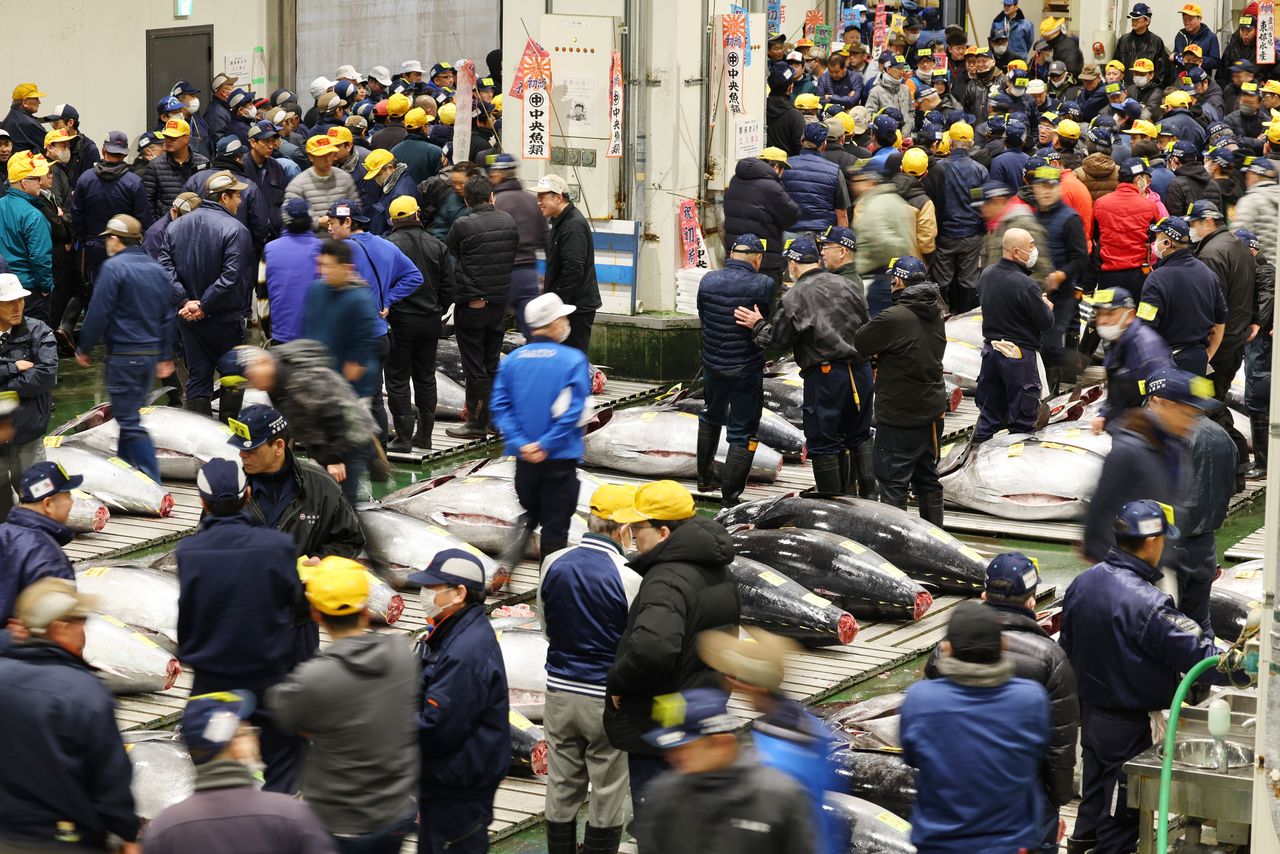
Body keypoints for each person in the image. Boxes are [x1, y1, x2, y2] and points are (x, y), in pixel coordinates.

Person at [1062, 498, 1247, 854]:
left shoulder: (1083, 583)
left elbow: (1066, 647)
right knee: (1120, 816)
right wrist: (1246, 668)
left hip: (1090, 716)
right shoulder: (1149, 604)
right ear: (1151, 541)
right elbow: (1200, 657)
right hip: (1128, 727)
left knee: (1093, 802)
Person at [923, 555, 1078, 853]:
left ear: (984, 596)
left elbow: (928, 729)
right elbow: (1059, 740)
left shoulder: (946, 649)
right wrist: (1057, 797)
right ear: (1031, 601)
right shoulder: (1051, 658)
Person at [604, 481, 740, 813]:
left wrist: (619, 683)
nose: (634, 537)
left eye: (638, 528)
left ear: (663, 532)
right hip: (701, 713)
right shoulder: (719, 569)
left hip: (659, 725)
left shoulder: (665, 580)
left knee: (658, 821)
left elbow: (653, 648)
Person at [268, 559, 419, 853]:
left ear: (315, 613)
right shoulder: (402, 655)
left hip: (338, 823)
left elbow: (284, 712)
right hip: (394, 812)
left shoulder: (314, 678)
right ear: (365, 610)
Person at [176, 458, 306, 794]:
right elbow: (295, 601)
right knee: (284, 754)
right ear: (248, 494)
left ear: (203, 501)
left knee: (211, 760)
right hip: (267, 676)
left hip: (211, 680)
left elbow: (189, 614)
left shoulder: (188, 551)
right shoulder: (277, 546)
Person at [537, 484, 643, 854]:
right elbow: (634, 644)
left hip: (559, 692)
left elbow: (546, 627)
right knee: (609, 788)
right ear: (623, 529)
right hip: (606, 699)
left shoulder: (553, 562)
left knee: (561, 784)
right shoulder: (630, 576)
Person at [0, 577, 140, 851]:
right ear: (60, 628)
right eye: (80, 621)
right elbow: (110, 778)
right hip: (62, 840)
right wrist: (127, 833)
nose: (84, 630)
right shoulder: (84, 693)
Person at [902, 600, 1050, 853]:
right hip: (1008, 842)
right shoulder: (1031, 698)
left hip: (939, 843)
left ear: (947, 649)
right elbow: (1038, 753)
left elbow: (912, 757)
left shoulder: (921, 698)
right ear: (1003, 646)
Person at [735, 236, 869, 493]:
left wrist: (758, 324)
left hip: (827, 376)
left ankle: (832, 502)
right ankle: (866, 495)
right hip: (859, 372)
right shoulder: (848, 284)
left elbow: (778, 339)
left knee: (823, 441)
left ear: (793, 264)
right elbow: (867, 325)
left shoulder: (795, 295)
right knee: (858, 435)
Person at [143, 691, 338, 854]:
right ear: (237, 746)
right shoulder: (291, 815)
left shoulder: (166, 828)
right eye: (248, 732)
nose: (255, 738)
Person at [409, 549, 510, 854]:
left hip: (456, 789)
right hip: (451, 781)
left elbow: (438, 728)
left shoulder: (464, 653)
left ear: (459, 593)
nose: (425, 594)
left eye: (433, 587)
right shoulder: (456, 632)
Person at [635, 687, 817, 854]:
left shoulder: (779, 796)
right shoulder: (662, 795)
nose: (671, 757)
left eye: (683, 748)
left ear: (722, 744)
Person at [489, 293, 591, 564]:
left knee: (531, 512)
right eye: (564, 318)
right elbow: (574, 410)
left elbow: (499, 406)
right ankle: (549, 583)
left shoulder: (513, 360)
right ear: (554, 323)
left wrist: (521, 442)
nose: (567, 323)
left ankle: (508, 567)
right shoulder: (573, 360)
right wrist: (546, 444)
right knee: (556, 527)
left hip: (524, 460)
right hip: (559, 459)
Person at [73, 215, 175, 482]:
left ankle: (152, 482)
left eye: (108, 237)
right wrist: (164, 355)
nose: (107, 242)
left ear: (116, 239)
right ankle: (126, 475)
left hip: (124, 356)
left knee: (128, 421)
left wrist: (84, 346)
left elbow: (98, 312)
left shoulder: (113, 268)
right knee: (127, 418)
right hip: (148, 358)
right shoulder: (156, 268)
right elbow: (167, 315)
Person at [1083, 367, 1212, 563]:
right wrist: (1107, 560)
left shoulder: (1175, 447)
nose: (1192, 423)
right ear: (1160, 403)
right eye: (1186, 414)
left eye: (1195, 416)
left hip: (1157, 561)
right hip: (1125, 565)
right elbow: (1100, 509)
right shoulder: (1128, 451)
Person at [854, 256, 946, 523]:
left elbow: (861, 342)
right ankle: (935, 538)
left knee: (893, 482)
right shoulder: (936, 311)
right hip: (931, 412)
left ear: (897, 280)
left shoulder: (894, 316)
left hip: (899, 415)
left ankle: (896, 542)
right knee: (928, 478)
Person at [326, 199, 424, 446]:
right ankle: (380, 452)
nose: (328, 227)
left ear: (348, 222)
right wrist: (387, 299)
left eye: (332, 222)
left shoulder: (343, 252)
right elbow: (415, 276)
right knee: (375, 397)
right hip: (379, 335)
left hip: (352, 339)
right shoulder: (386, 245)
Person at [160, 169, 253, 413]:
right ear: (224, 197)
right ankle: (228, 431)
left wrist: (186, 302)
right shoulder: (236, 230)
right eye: (237, 196)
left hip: (188, 319)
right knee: (232, 375)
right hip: (224, 319)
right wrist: (204, 305)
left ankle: (200, 432)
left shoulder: (175, 227)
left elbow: (164, 268)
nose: (240, 201)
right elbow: (232, 277)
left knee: (198, 377)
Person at [695, 234, 774, 504]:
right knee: (742, 432)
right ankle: (730, 497)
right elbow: (766, 326)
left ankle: (704, 479)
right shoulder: (763, 284)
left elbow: (703, 317)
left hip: (713, 365)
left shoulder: (707, 280)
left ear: (731, 255)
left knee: (710, 415)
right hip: (745, 370)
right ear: (757, 259)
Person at [232, 403, 364, 561]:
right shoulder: (229, 487)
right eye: (240, 448)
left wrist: (321, 558)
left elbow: (350, 540)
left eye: (250, 449)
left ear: (278, 446)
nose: (242, 455)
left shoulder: (323, 487)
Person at [443, 174, 518, 439]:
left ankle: (476, 423)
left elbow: (450, 253)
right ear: (491, 197)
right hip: (500, 304)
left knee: (474, 365)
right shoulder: (508, 221)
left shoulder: (463, 225)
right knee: (492, 362)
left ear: (467, 200)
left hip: (473, 304)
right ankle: (495, 421)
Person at [972, 229, 1055, 443]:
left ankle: (977, 454)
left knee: (988, 416)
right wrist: (1045, 306)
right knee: (1022, 423)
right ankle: (1016, 460)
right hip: (1019, 358)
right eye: (1031, 245)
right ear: (1016, 252)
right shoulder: (1026, 284)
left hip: (991, 353)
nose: (1035, 249)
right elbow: (1046, 322)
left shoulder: (987, 274)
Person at [384, 195, 452, 451]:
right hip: (430, 321)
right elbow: (449, 287)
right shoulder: (438, 245)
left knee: (397, 377)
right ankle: (425, 436)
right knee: (425, 376)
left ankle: (403, 438)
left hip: (399, 321)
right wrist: (437, 310)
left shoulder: (388, 246)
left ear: (393, 220)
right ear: (417, 214)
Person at [70, 130, 149, 320]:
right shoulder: (134, 182)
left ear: (103, 149)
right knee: (125, 296)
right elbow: (143, 220)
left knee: (96, 294)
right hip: (126, 249)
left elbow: (76, 215)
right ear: (124, 154)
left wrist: (83, 241)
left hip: (94, 247)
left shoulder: (86, 179)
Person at [1138, 215, 1226, 377]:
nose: (1154, 244)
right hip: (1198, 360)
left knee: (1165, 396)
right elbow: (1220, 319)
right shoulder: (1208, 274)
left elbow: (1146, 327)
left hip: (1166, 363)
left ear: (1167, 243)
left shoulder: (1157, 279)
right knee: (1194, 395)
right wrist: (1210, 353)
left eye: (1157, 239)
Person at [0, 272, 55, 520]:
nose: (17, 307)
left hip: (28, 432)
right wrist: (13, 367)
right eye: (9, 302)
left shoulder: (38, 331)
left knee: (40, 502)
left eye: (20, 300)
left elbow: (45, 375)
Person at [1029, 166, 1088, 389]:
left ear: (1058, 189)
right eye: (1041, 187)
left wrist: (1061, 275)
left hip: (1061, 294)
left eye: (1050, 187)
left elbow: (1080, 258)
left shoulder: (1070, 218)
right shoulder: (1033, 217)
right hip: (1037, 292)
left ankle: (1076, 366)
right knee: (1037, 343)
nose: (1045, 192)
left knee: (1049, 346)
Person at [531, 173, 603, 353]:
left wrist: (556, 304)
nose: (538, 202)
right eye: (538, 197)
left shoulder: (573, 225)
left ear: (558, 197)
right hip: (566, 305)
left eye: (542, 197)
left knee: (573, 357)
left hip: (575, 307)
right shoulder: (559, 222)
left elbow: (574, 269)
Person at [304, 238, 381, 404]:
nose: (323, 271)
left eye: (328, 266)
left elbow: (361, 351)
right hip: (320, 382)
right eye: (320, 265)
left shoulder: (360, 299)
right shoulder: (317, 289)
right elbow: (309, 329)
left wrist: (347, 379)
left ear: (346, 268)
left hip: (352, 390)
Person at [0, 461, 79, 624]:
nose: (72, 502)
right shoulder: (50, 558)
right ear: (48, 504)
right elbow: (60, 630)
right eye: (68, 494)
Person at [1177, 417, 1236, 635]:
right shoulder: (1222, 435)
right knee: (1200, 623)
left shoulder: (1172, 435)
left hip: (1172, 545)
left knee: (1167, 622)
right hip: (1205, 544)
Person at [1089, 288, 1174, 434]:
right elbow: (1117, 392)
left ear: (1130, 315)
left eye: (1110, 313)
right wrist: (1104, 415)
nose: (1102, 320)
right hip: (1122, 429)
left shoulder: (1146, 349)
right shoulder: (1116, 343)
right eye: (1099, 314)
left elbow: (1163, 403)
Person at [488, 155, 547, 337]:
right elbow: (546, 239)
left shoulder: (495, 202)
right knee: (532, 328)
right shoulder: (532, 201)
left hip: (501, 274)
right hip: (529, 275)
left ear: (499, 174)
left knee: (493, 329)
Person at [722, 149, 799, 290]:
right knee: (765, 299)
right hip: (764, 260)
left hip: (735, 253)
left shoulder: (735, 180)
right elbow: (792, 215)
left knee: (737, 295)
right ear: (777, 167)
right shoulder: (772, 187)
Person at [931, 122, 988, 311]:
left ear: (950, 142)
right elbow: (981, 205)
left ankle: (942, 319)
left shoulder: (939, 168)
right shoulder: (979, 170)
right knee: (969, 281)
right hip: (972, 235)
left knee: (941, 281)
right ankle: (965, 318)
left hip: (945, 235)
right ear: (971, 144)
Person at [849, 163, 916, 318]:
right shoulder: (895, 199)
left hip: (879, 279)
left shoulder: (875, 206)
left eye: (858, 181)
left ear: (871, 181)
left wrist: (865, 263)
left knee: (877, 325)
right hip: (894, 276)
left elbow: (885, 242)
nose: (853, 186)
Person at [1090, 156, 1160, 291]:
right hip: (1139, 273)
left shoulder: (1100, 203)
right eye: (1145, 177)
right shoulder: (1150, 206)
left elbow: (1095, 235)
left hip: (1107, 274)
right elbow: (1153, 236)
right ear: (1138, 179)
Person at [1237, 228, 1273, 478]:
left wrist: (1256, 324)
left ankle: (1264, 464)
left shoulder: (1263, 271)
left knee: (1257, 398)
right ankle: (1262, 462)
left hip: (1261, 344)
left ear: (1251, 251)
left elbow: (1266, 301)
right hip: (1255, 344)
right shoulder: (1254, 271)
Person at [0, 153, 54, 320]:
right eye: (36, 179)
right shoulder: (33, 215)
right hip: (28, 290)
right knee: (34, 334)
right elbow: (40, 258)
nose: (40, 182)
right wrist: (46, 286)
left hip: (3, 288)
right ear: (24, 183)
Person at [263, 197, 322, 344]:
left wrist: (267, 333)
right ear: (309, 220)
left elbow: (262, 298)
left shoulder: (269, 249)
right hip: (315, 337)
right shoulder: (322, 249)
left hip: (280, 335)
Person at [781, 123, 849, 232]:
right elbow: (841, 214)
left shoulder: (785, 166)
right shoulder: (834, 171)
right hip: (822, 232)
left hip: (789, 231)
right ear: (824, 144)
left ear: (802, 141)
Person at [144, 117, 211, 222]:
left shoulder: (203, 163)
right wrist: (159, 225)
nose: (168, 141)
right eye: (166, 137)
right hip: (167, 224)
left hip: (197, 222)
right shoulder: (155, 166)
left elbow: (209, 197)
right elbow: (148, 202)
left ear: (186, 138)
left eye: (173, 137)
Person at [286, 135, 358, 225]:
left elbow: (356, 209)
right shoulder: (298, 184)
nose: (327, 160)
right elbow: (288, 218)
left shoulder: (345, 178)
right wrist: (318, 222)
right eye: (322, 156)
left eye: (330, 154)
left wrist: (342, 219)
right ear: (311, 157)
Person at [766, 62, 805, 156]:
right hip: (787, 164)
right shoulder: (795, 116)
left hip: (762, 163)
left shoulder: (761, 109)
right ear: (790, 87)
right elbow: (800, 149)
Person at [2, 83, 50, 154]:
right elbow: (51, 145)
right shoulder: (28, 123)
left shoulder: (12, 116)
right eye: (36, 99)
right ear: (25, 102)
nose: (39, 102)